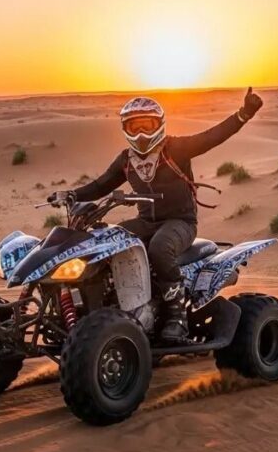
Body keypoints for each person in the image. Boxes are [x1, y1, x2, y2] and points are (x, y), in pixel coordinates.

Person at [48, 87, 263, 344]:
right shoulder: (126, 160)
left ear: (159, 124)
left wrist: (244, 114)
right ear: (125, 128)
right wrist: (72, 194)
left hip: (180, 222)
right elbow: (100, 186)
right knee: (104, 242)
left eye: (147, 125)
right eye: (134, 126)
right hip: (145, 222)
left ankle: (177, 318)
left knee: (160, 248)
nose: (141, 132)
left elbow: (212, 137)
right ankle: (109, 308)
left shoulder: (175, 149)